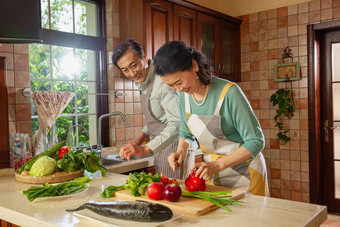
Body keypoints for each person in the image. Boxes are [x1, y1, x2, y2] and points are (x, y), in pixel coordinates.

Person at [153, 41, 269, 196]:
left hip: (246, 174)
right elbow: (186, 133)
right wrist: (181, 149)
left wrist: (218, 165)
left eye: (179, 82)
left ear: (194, 66)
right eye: (172, 86)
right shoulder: (184, 97)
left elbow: (256, 141)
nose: (178, 89)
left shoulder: (229, 93)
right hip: (212, 173)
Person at [111, 39, 196, 179]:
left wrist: (145, 148)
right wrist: (138, 140)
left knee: (174, 197)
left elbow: (177, 123)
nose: (132, 74)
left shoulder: (162, 80)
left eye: (134, 66)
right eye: (125, 70)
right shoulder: (144, 81)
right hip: (162, 145)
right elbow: (157, 119)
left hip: (176, 145)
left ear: (144, 58)